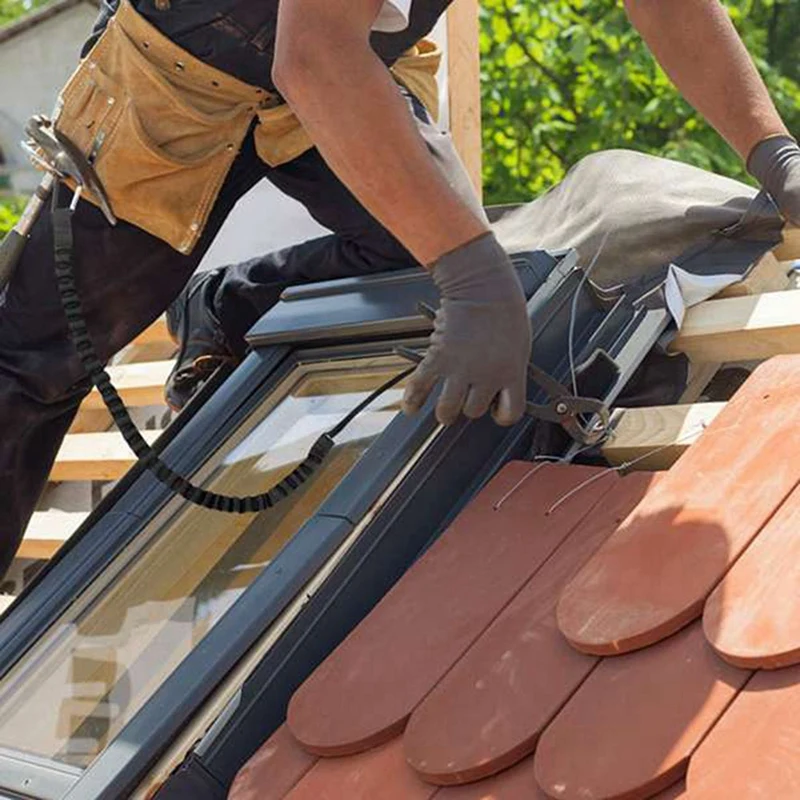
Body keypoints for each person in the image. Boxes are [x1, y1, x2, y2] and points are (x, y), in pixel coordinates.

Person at [0, 0, 797, 581]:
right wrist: (472, 278)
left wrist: (773, 154)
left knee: (423, 247)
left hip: (350, 62)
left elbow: (671, 6)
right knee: (28, 367)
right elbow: (309, 56)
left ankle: (228, 305)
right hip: (181, 75)